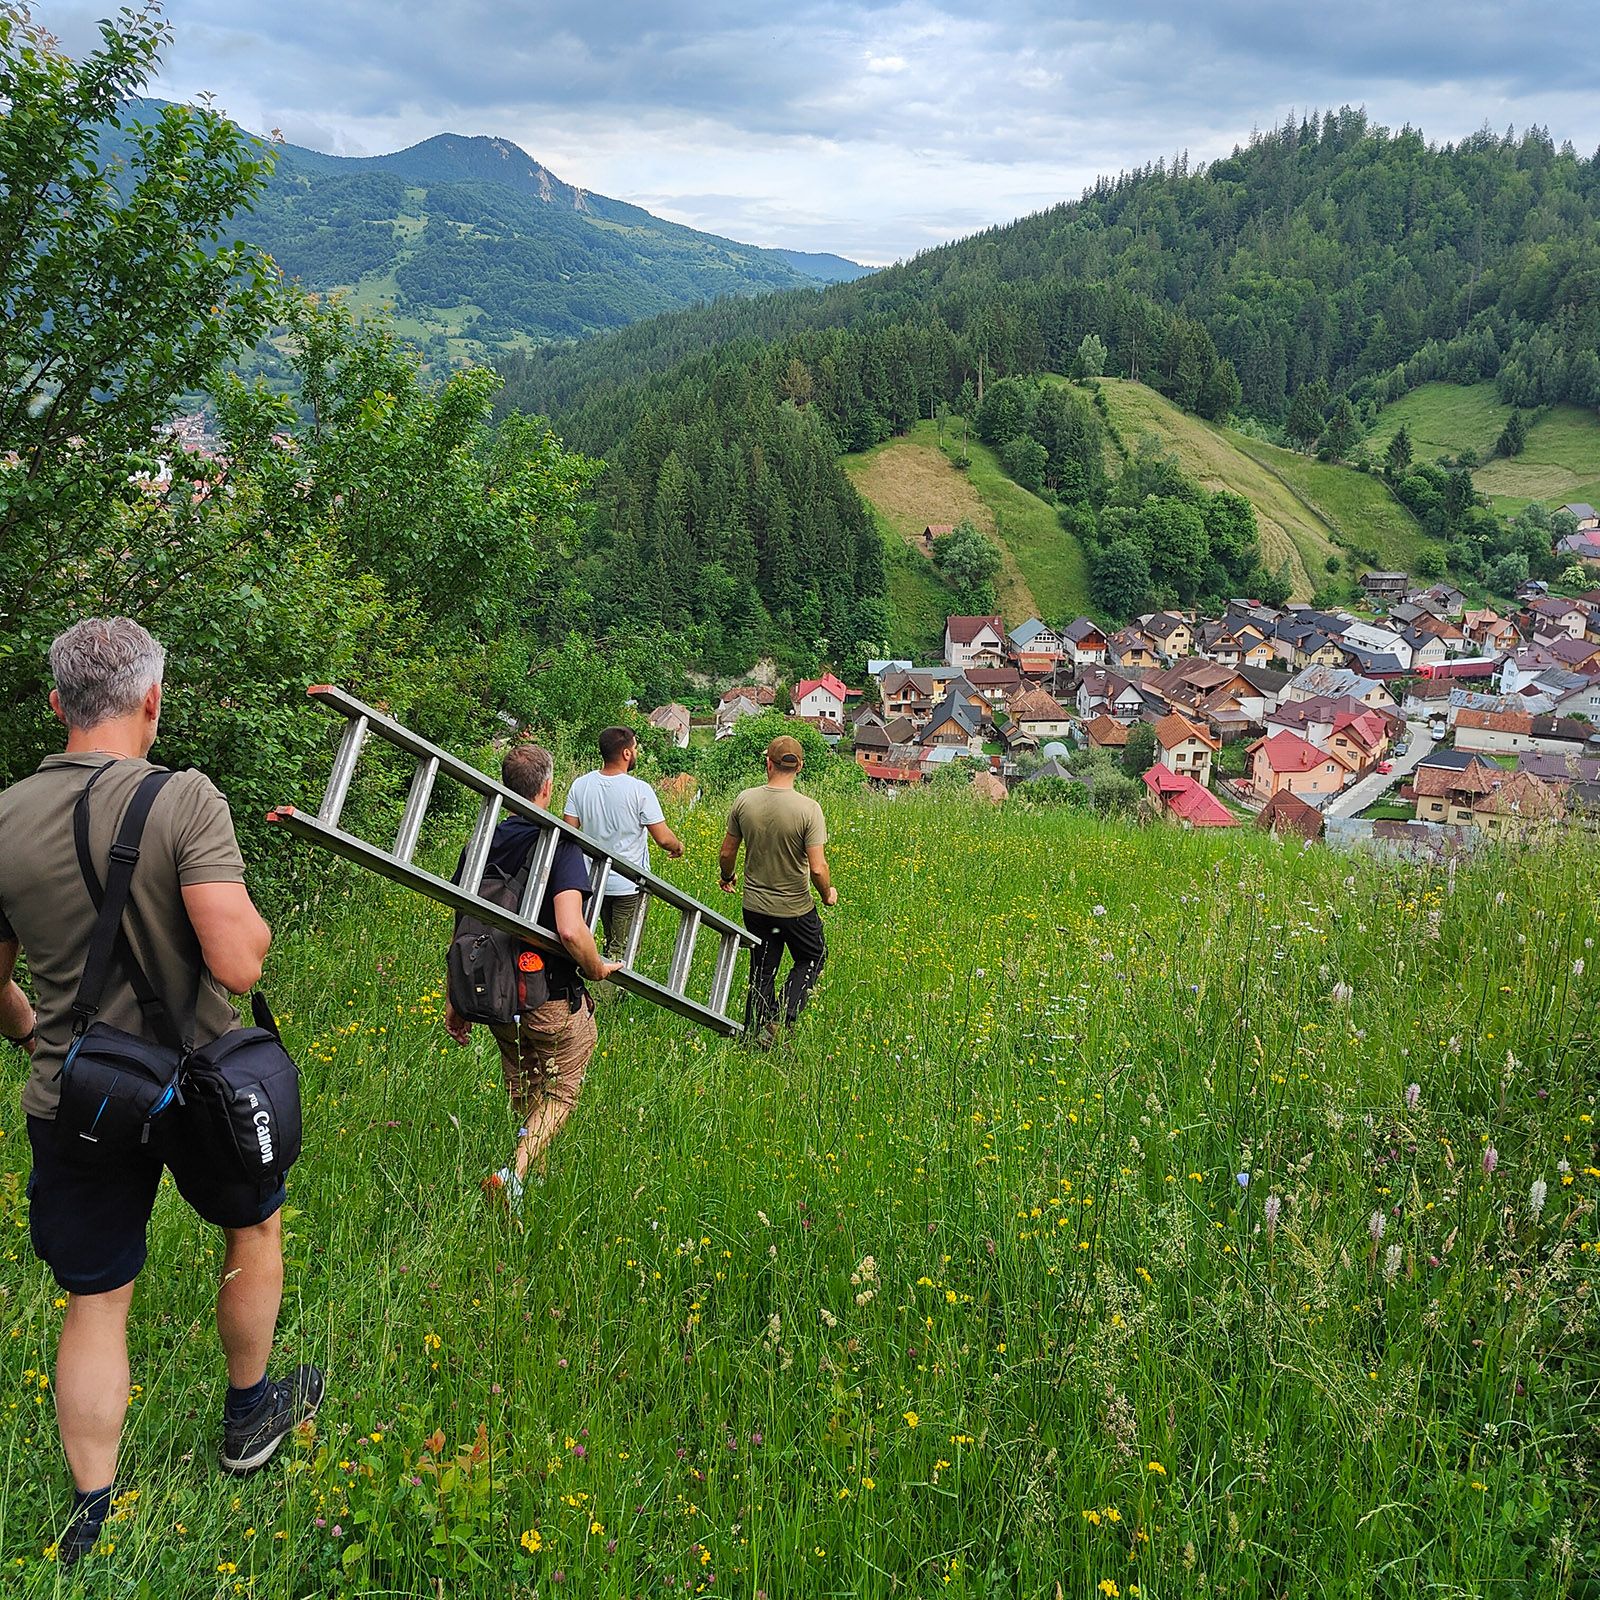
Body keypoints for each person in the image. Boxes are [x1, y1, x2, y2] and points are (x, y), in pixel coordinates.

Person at [0, 617, 323, 1567]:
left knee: (97, 1300)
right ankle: (248, 1419)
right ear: (151, 700)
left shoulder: (5, 817)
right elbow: (235, 953)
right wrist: (255, 929)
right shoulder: (184, 799)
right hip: (201, 1082)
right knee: (251, 1230)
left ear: (57, 703)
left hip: (78, 1096)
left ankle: (93, 1514)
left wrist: (34, 1034)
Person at [446, 744, 620, 1209]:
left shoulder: (480, 841)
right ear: (547, 788)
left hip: (493, 995)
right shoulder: (558, 843)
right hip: (549, 994)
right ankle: (517, 1172)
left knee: (523, 1082)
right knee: (562, 1089)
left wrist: (455, 998)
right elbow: (569, 927)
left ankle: (530, 1176)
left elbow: (465, 920)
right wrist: (597, 966)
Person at [717, 735, 837, 1047]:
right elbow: (818, 868)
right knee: (813, 954)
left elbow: (727, 852)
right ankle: (781, 1018)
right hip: (794, 909)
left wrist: (727, 876)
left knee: (763, 966)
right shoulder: (809, 809)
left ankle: (752, 1035)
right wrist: (827, 895)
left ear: (767, 763)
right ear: (800, 767)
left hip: (755, 906)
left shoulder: (745, 800)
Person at [563, 726, 683, 979]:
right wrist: (677, 847)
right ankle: (608, 997)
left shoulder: (580, 785)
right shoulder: (639, 790)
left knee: (599, 940)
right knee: (621, 949)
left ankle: (590, 987)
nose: (637, 752)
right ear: (627, 753)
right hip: (629, 885)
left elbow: (569, 831)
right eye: (636, 748)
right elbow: (662, 838)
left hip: (591, 881)